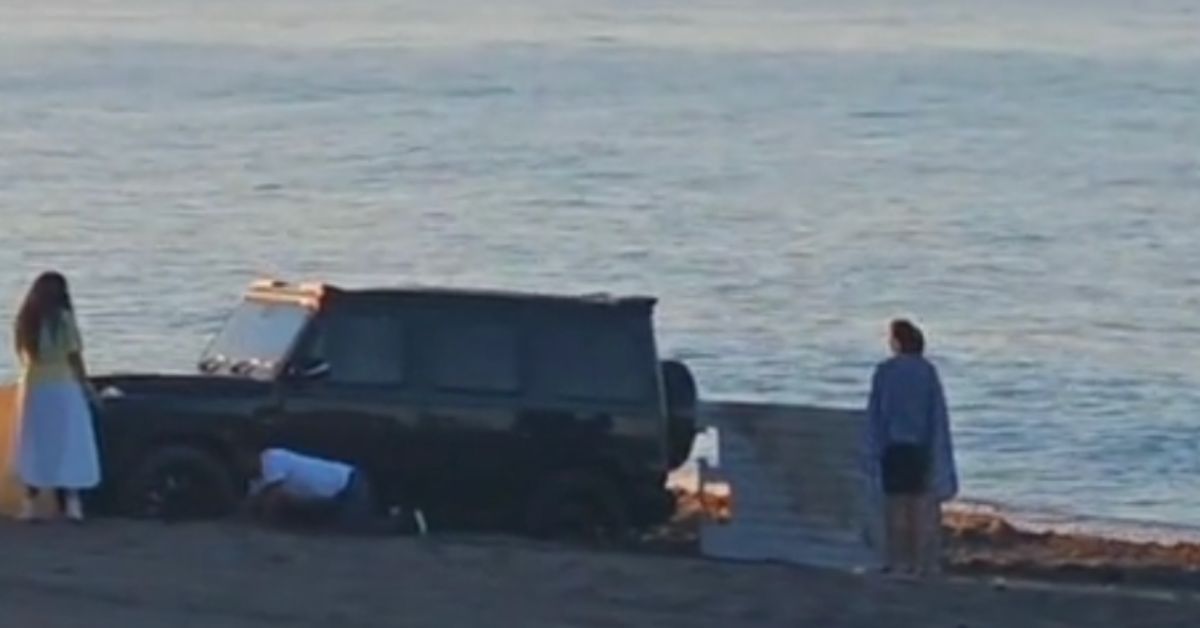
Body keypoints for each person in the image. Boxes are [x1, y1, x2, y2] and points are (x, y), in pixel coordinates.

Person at [865, 319, 957, 575]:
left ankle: (897, 561)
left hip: (893, 448)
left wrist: (872, 450)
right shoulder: (927, 372)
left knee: (895, 508)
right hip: (919, 447)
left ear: (897, 342)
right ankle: (920, 563)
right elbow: (936, 415)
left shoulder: (885, 371)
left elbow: (876, 414)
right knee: (920, 509)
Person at [12, 271, 102, 522]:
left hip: (33, 385)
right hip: (62, 385)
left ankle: (29, 505)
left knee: (35, 442)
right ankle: (72, 504)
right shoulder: (63, 319)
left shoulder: (25, 319)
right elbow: (74, 357)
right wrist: (86, 385)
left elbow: (22, 353)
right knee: (69, 443)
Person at [241, 447, 414, 535]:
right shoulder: (258, 480)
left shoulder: (273, 458)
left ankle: (405, 521)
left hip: (348, 483)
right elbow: (254, 502)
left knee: (358, 531)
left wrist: (261, 525)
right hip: (329, 496)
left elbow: (273, 498)